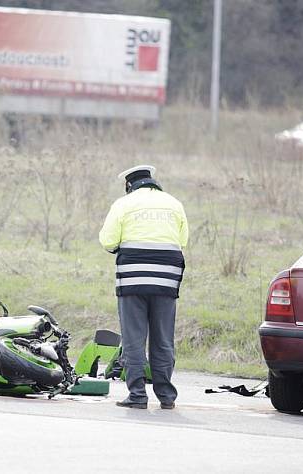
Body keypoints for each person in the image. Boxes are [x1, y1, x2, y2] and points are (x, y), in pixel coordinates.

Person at [98, 165, 189, 410]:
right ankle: (167, 396)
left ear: (129, 185)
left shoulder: (122, 204)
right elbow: (183, 241)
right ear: (153, 181)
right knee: (163, 338)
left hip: (132, 279)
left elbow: (108, 241)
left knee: (134, 338)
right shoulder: (174, 203)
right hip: (166, 280)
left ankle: (137, 395)